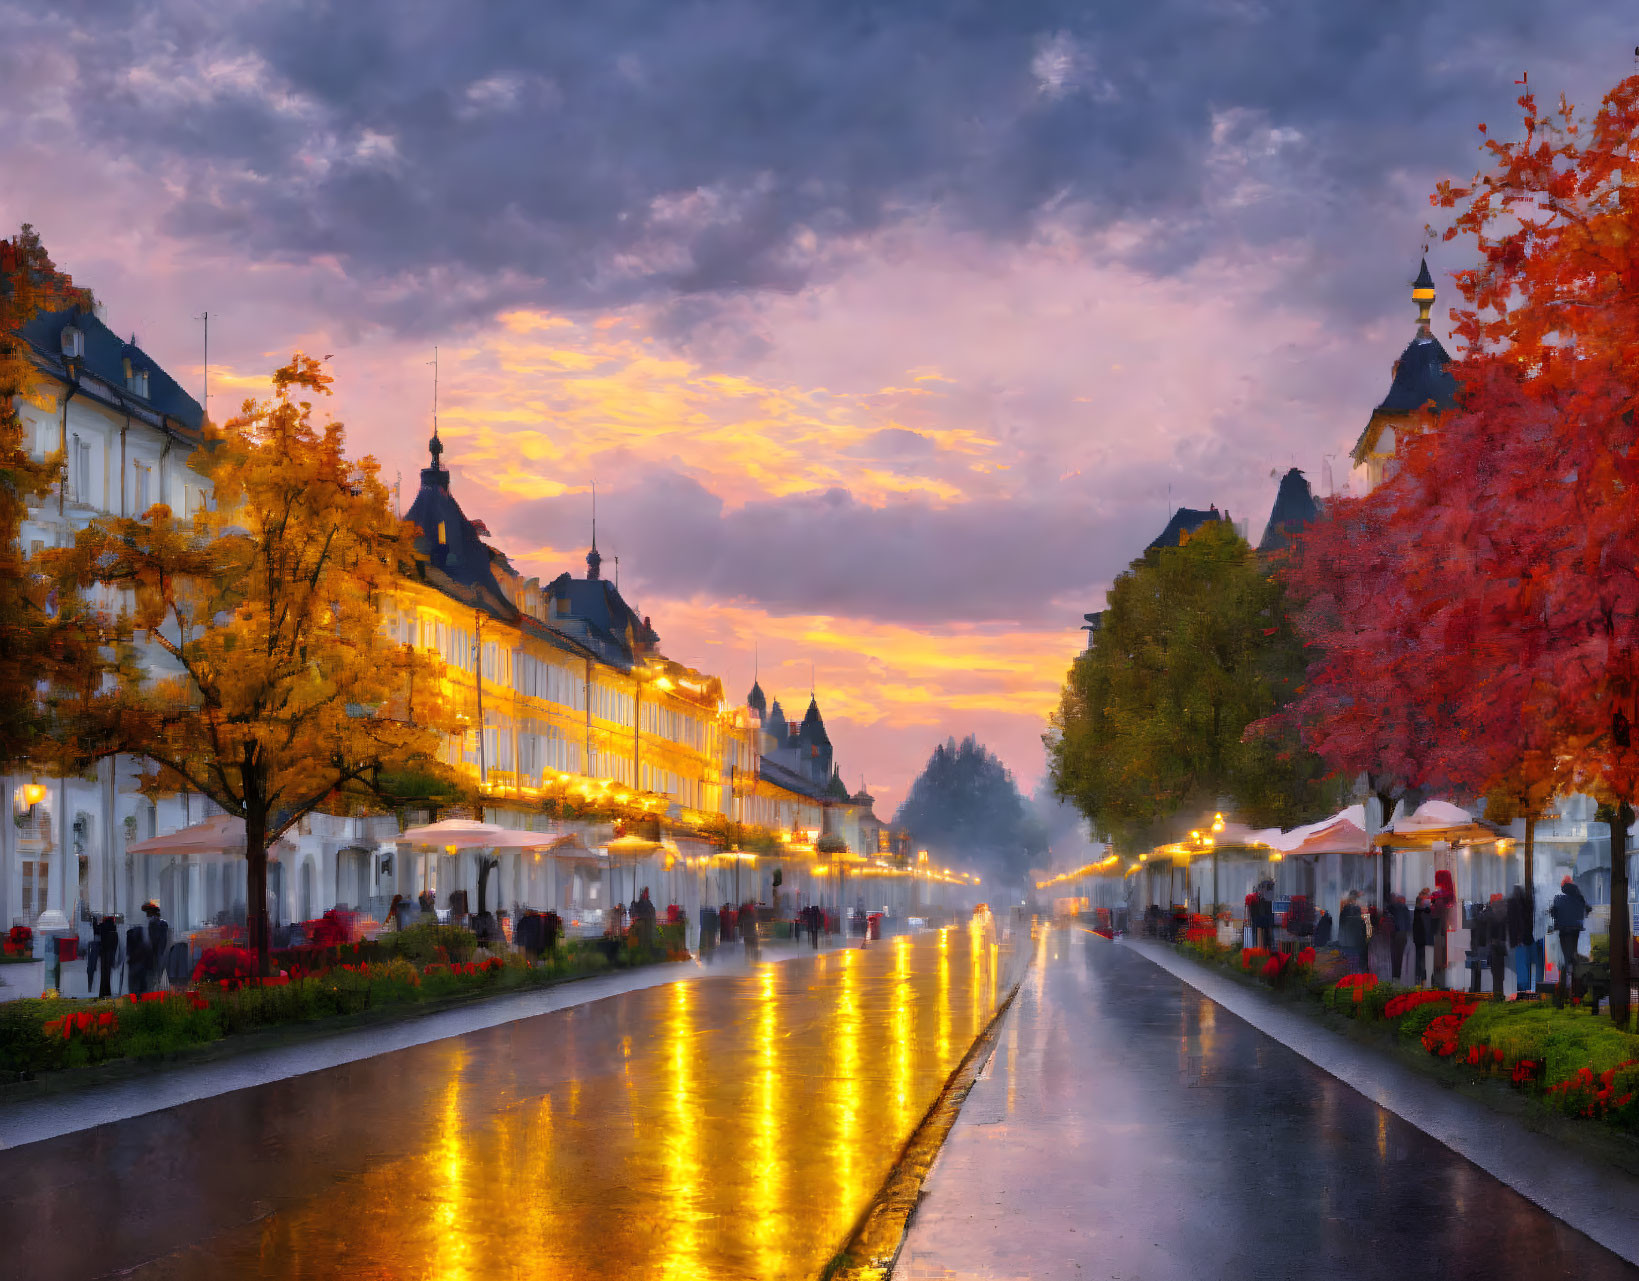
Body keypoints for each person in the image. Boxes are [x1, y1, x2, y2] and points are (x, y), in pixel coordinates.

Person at [1551, 875, 1589, 1008]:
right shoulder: (1579, 896)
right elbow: (1587, 909)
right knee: (1573, 956)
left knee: (1566, 959)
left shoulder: (1558, 898)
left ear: (1563, 886)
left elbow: (1553, 912)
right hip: (1575, 930)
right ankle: (1576, 994)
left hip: (1563, 931)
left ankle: (1563, 995)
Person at [1507, 883, 1535, 998]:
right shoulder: (1526, 903)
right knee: (1523, 962)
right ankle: (1524, 986)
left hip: (1518, 938)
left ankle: (1521, 986)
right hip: (1525, 937)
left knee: (1519, 962)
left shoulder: (1513, 903)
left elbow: (1513, 922)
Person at [1431, 869, 1456, 989]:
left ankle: (1439, 983)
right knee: (1442, 956)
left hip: (1438, 929)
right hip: (1445, 929)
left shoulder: (1438, 896)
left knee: (1438, 956)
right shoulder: (1449, 895)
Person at [1485, 892, 1509, 1001]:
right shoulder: (1505, 911)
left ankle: (1497, 995)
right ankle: (1500, 993)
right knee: (1500, 972)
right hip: (1502, 944)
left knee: (1495, 972)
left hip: (1494, 943)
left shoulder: (1491, 912)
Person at [143, 901, 170, 992]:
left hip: (156, 951)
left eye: (148, 913)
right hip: (158, 951)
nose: (147, 915)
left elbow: (156, 939)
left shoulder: (155, 923)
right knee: (157, 972)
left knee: (156, 973)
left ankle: (156, 989)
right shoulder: (160, 923)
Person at [1338, 891, 1367, 972]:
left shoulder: (1343, 911)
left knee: (1348, 968)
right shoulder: (1357, 911)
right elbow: (1363, 929)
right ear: (1355, 900)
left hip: (1346, 944)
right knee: (1358, 968)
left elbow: (1341, 928)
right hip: (1357, 944)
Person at [1387, 893, 1411, 982]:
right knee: (1399, 956)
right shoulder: (1404, 908)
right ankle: (1397, 976)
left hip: (1393, 933)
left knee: (1393, 955)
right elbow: (1408, 921)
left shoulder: (1390, 908)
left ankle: (1393, 975)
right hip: (1402, 933)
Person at [125, 921, 153, 997]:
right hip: (141, 967)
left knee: (133, 987)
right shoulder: (145, 944)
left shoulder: (131, 939)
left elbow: (128, 953)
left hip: (134, 966)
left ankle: (135, 1002)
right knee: (142, 987)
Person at [1412, 889, 1433, 984]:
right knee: (1421, 960)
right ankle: (1421, 978)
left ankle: (1420, 978)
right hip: (1421, 939)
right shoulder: (1419, 911)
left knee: (1420, 959)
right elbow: (1427, 910)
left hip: (1419, 939)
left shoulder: (1417, 911)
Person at [96, 914, 119, 999]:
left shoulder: (102, 926)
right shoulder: (114, 927)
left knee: (104, 973)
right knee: (108, 973)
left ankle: (103, 993)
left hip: (104, 951)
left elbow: (97, 933)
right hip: (110, 952)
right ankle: (107, 992)